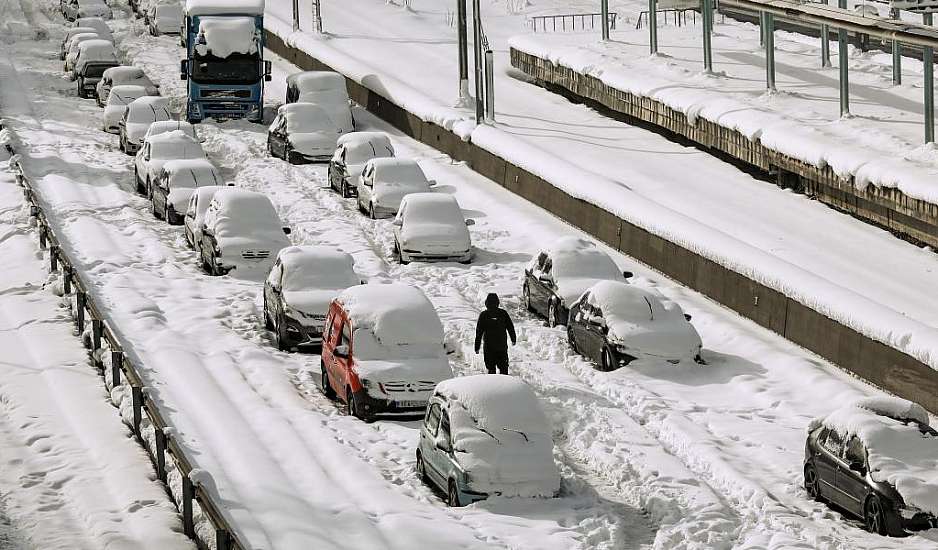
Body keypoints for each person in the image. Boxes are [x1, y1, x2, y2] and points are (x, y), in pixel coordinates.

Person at [474, 293, 516, 375]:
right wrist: (513, 339)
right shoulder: (503, 313)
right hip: (502, 347)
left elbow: (479, 332)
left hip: (489, 349)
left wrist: (477, 346)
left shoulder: (484, 315)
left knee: (491, 369)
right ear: (498, 303)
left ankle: (493, 386)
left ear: (486, 303)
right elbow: (510, 327)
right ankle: (505, 386)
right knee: (504, 369)